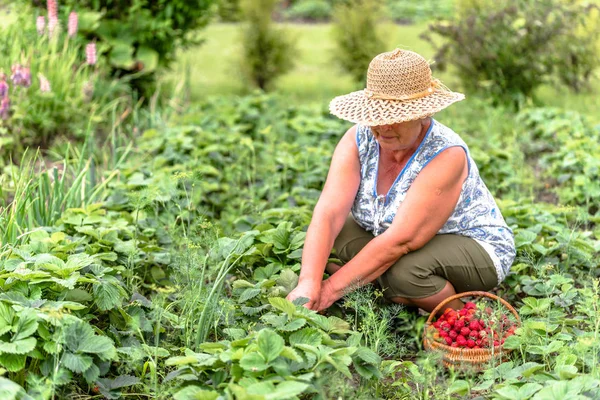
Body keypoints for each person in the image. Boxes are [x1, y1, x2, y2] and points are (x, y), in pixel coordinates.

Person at [286, 49, 515, 313]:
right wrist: (308, 285)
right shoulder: (357, 139)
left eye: (394, 118)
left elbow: (401, 241)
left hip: (471, 244)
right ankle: (403, 294)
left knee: (406, 272)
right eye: (376, 116)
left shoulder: (446, 153)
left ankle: (459, 312)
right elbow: (329, 212)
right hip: (390, 237)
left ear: (421, 114)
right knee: (334, 242)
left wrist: (327, 292)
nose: (383, 127)